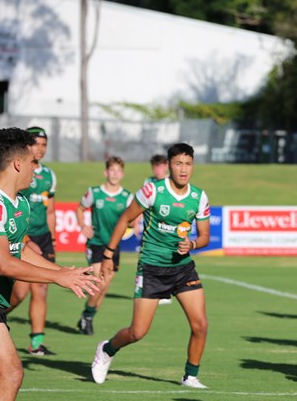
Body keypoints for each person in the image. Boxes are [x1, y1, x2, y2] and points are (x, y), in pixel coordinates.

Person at [0, 128, 99, 401]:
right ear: (17, 162)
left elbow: (22, 249)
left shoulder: (20, 203)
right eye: (33, 161)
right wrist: (57, 279)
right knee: (11, 372)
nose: (37, 167)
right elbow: (2, 262)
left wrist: (62, 270)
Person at [90, 143, 211, 388]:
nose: (183, 169)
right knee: (137, 332)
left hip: (182, 268)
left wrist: (194, 244)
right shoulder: (152, 191)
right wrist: (108, 254)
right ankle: (107, 349)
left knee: (201, 325)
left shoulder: (199, 196)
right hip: (152, 268)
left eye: (188, 163)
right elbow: (125, 218)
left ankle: (190, 375)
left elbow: (205, 236)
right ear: (168, 166)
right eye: (178, 163)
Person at [7, 126, 57, 355]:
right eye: (36, 144)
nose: (40, 149)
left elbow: (50, 211)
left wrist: (52, 239)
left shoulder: (49, 175)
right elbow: (12, 209)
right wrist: (26, 238)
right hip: (22, 237)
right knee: (19, 293)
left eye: (44, 145)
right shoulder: (18, 171)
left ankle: (37, 342)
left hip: (44, 239)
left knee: (41, 289)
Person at [75, 157, 134, 335]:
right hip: (96, 244)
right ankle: (88, 315)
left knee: (104, 286)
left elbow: (133, 217)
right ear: (105, 172)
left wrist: (134, 223)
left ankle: (88, 316)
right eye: (112, 170)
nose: (115, 174)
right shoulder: (94, 193)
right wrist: (83, 226)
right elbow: (79, 209)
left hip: (114, 246)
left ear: (122, 174)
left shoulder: (127, 197)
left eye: (118, 171)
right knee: (99, 284)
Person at [145, 155, 173, 305]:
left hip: (168, 228)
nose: (157, 169)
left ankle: (165, 291)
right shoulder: (148, 182)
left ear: (166, 166)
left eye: (160, 166)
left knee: (168, 258)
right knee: (152, 257)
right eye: (154, 166)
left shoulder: (172, 182)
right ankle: (155, 291)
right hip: (152, 226)